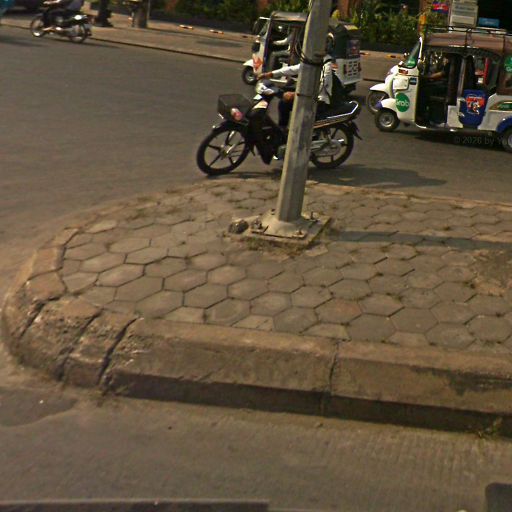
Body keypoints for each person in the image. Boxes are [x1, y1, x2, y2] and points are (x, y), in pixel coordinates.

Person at [258, 36, 344, 128]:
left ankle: (286, 130)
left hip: (318, 101)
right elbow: (295, 69)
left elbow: (323, 85)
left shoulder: (327, 63)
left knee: (284, 104)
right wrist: (271, 74)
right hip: (311, 97)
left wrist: (295, 95)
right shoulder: (316, 60)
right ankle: (283, 130)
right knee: (284, 98)